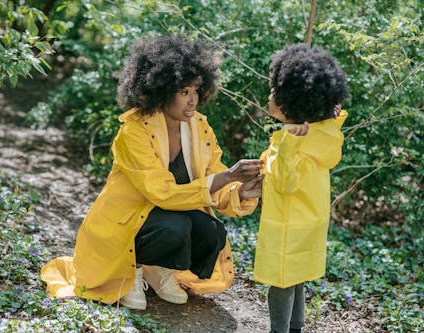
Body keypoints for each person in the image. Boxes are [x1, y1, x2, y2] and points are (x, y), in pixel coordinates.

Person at [40, 35, 265, 310]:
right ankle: (129, 271)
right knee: (177, 226)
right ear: (162, 89)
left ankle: (158, 269)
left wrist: (241, 191)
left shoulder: (200, 128)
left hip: (162, 218)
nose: (193, 101)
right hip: (126, 222)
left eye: (196, 91)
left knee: (211, 231)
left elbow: (214, 180)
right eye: (184, 92)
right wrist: (228, 176)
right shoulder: (133, 130)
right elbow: (163, 194)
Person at [253, 43, 349, 333]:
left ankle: (279, 330)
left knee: (281, 282)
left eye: (273, 92)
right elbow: (329, 135)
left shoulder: (293, 142)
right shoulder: (322, 134)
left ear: (288, 102)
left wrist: (287, 145)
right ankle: (296, 327)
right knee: (297, 277)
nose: (269, 97)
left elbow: (284, 182)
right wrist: (334, 117)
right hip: (310, 222)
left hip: (288, 224)